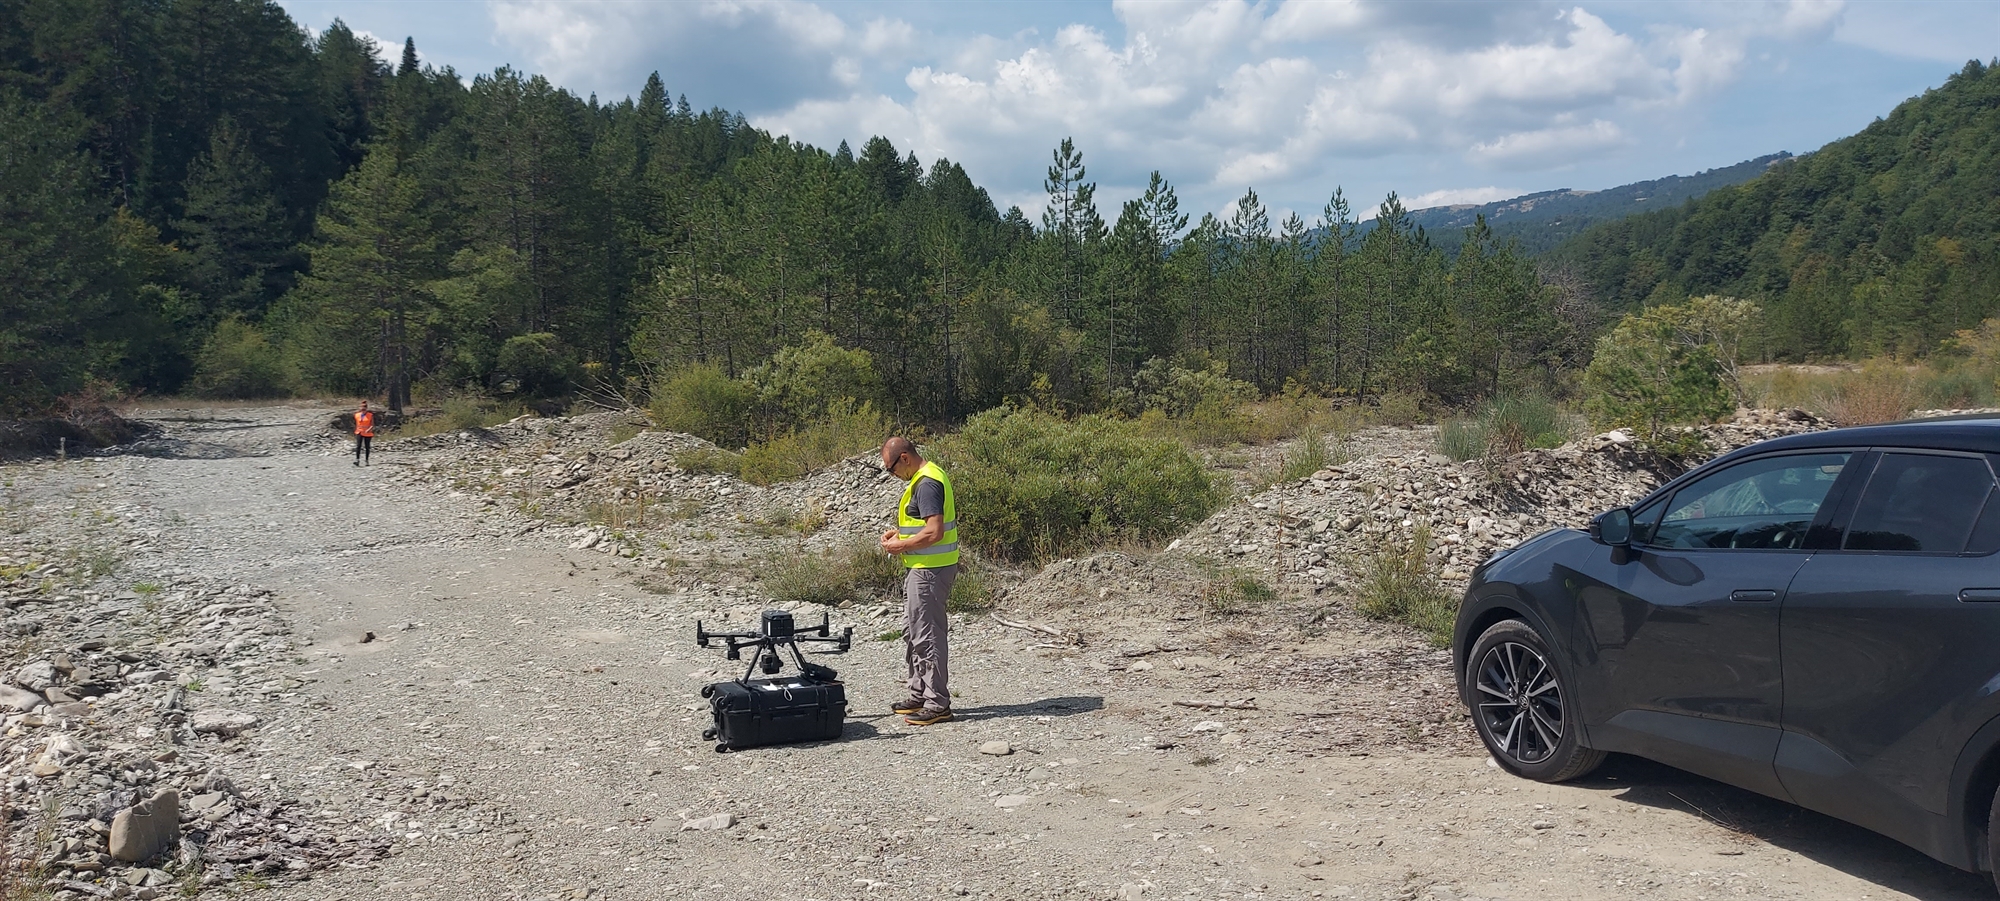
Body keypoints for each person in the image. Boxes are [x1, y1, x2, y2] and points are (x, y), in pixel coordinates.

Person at [877, 437, 959, 726]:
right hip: (921, 568)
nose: (892, 475)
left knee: (928, 636)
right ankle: (920, 694)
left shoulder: (927, 483)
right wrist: (900, 535)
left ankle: (937, 703)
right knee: (913, 632)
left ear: (904, 458)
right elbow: (922, 527)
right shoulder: (923, 478)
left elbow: (934, 532)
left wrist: (900, 546)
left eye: (891, 469)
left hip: (930, 571)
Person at [352, 400, 376, 466]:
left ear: (366, 409)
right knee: (358, 446)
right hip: (359, 432)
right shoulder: (357, 415)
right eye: (362, 408)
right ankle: (357, 460)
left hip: (367, 433)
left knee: (367, 447)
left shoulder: (370, 415)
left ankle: (366, 460)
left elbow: (372, 424)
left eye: (364, 409)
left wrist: (369, 429)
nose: (363, 410)